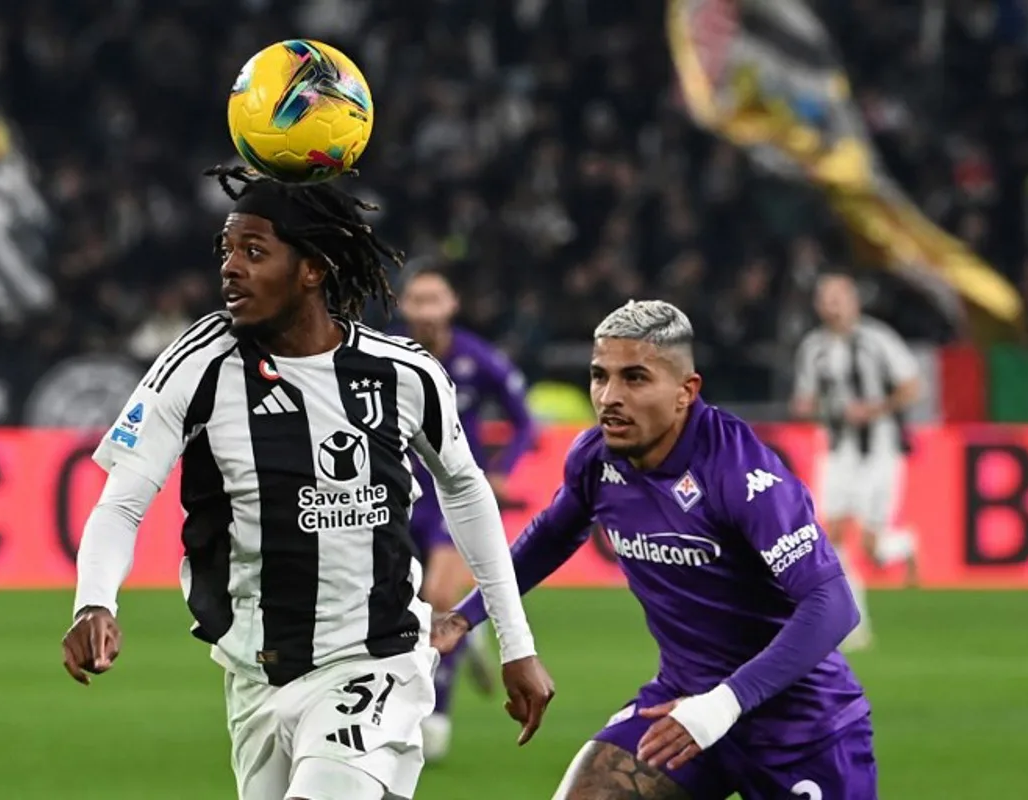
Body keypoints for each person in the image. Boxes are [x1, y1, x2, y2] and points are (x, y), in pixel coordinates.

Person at [61, 166, 554, 800]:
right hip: (255, 674)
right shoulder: (198, 367)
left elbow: (465, 490)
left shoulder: (404, 374)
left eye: (254, 252)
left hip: (374, 661)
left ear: (312, 269)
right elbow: (123, 502)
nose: (230, 269)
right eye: (227, 251)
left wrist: (517, 643)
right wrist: (94, 600)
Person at [436, 300, 875, 799]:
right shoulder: (596, 459)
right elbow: (552, 537)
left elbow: (833, 605)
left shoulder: (740, 473)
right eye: (600, 376)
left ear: (686, 392)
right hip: (679, 708)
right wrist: (466, 615)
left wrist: (723, 704)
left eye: (635, 378)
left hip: (799, 724)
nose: (609, 397)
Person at [395, 265, 536, 762]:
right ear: (404, 307)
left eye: (435, 299)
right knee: (404, 606)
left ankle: (434, 713)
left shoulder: (479, 360)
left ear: (452, 305)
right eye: (417, 300)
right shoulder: (386, 356)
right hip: (397, 496)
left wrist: (501, 471)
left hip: (451, 497)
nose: (427, 310)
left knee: (436, 598)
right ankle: (452, 655)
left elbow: (525, 423)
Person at [791, 273, 921, 651]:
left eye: (838, 297)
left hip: (880, 450)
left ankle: (905, 544)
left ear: (854, 302)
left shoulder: (878, 340)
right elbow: (805, 399)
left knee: (870, 546)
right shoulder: (813, 347)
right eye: (825, 297)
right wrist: (807, 408)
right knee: (828, 534)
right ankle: (853, 625)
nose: (832, 304)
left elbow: (912, 386)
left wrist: (875, 409)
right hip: (837, 450)